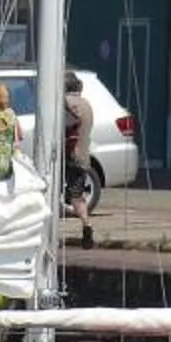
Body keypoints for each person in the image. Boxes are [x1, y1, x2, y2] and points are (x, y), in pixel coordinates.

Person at [62, 71, 98, 248]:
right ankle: (86, 224)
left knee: (52, 190)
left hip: (67, 155)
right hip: (83, 155)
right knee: (78, 195)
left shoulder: (66, 103)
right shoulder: (87, 104)